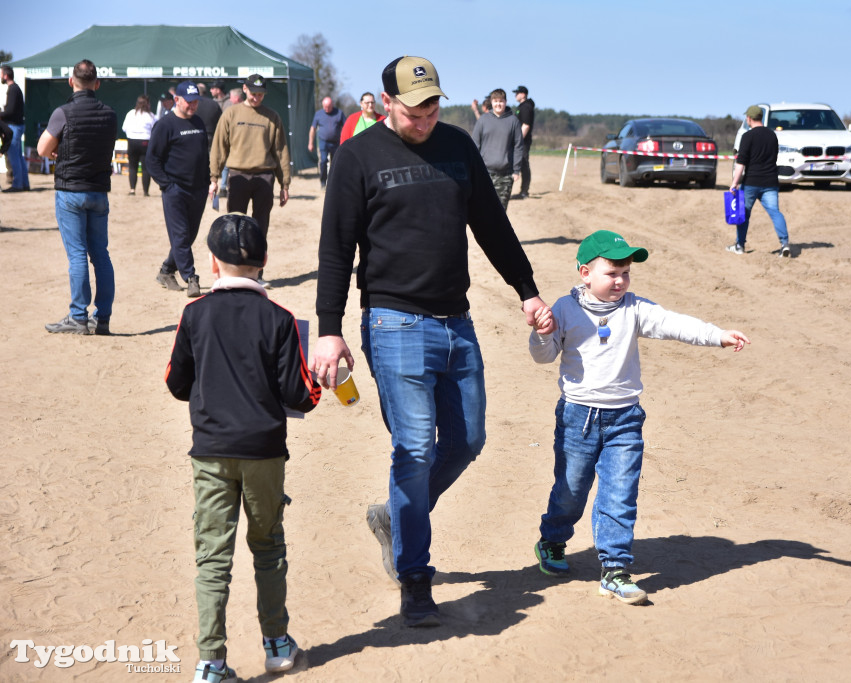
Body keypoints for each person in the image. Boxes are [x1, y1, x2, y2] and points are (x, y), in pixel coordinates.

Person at [311, 55, 555, 628]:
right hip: (393, 323)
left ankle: (396, 517)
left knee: (467, 440)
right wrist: (329, 330)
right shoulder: (357, 156)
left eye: (433, 104)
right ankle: (415, 578)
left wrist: (527, 290)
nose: (425, 115)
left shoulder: (457, 146)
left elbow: (492, 224)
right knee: (414, 448)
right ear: (386, 101)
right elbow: (334, 250)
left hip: (456, 322)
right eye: (415, 106)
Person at [529, 230, 749, 604]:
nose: (620, 280)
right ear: (585, 273)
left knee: (620, 494)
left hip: (626, 419)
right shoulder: (565, 310)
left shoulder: (634, 308)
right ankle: (552, 539)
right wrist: (540, 333)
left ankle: (615, 570)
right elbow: (544, 356)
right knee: (570, 491)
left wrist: (716, 335)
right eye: (612, 272)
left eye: (626, 273)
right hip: (577, 418)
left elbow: (674, 323)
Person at [165, 213, 321, 683]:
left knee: (213, 556)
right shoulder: (281, 320)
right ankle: (276, 643)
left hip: (210, 451)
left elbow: (176, 383)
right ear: (265, 260)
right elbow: (301, 397)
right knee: (268, 546)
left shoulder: (194, 314)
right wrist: (318, 379)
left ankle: (211, 661)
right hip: (264, 452)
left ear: (213, 263)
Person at [36, 59, 118, 335]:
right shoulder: (110, 114)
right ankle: (103, 317)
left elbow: (42, 149)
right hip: (98, 191)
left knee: (77, 256)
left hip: (71, 190)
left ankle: (78, 316)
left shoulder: (63, 112)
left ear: (71, 81)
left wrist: (57, 152)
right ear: (97, 84)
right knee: (101, 255)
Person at [209, 73, 290, 283]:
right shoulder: (231, 114)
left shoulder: (272, 117)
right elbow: (219, 147)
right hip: (237, 176)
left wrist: (284, 184)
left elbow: (281, 150)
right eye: (253, 93)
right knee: (234, 227)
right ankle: (231, 271)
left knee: (260, 228)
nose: (257, 98)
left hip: (264, 177)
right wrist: (214, 178)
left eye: (261, 94)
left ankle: (256, 274)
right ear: (245, 89)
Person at [147, 81, 210, 298]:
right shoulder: (165, 125)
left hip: (199, 190)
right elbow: (152, 160)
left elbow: (203, 154)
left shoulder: (199, 122)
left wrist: (207, 180)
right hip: (175, 190)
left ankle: (166, 271)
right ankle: (191, 277)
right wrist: (167, 185)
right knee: (181, 235)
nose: (193, 106)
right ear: (177, 100)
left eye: (196, 102)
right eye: (189, 102)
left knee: (188, 237)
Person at [728, 105, 791, 257]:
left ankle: (740, 246)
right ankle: (784, 244)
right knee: (775, 213)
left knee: (743, 214)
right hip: (770, 182)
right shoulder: (772, 135)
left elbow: (741, 164)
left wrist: (734, 183)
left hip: (751, 182)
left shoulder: (747, 136)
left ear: (749, 118)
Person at [471, 88, 523, 209]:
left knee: (500, 211)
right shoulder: (483, 120)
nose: (498, 104)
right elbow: (474, 145)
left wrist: (516, 170)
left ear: (505, 102)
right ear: (491, 102)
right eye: (495, 101)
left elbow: (518, 146)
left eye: (501, 101)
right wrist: (473, 169)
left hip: (505, 175)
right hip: (484, 174)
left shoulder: (513, 121)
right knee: (483, 209)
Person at [1, 65, 30, 192]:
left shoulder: (12, 89)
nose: (0, 77)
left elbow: (10, 111)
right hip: (18, 125)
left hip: (14, 127)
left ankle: (18, 184)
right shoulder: (16, 89)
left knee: (14, 157)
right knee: (19, 156)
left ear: (6, 75)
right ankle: (24, 184)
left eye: (1, 74)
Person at [121, 94, 156, 196]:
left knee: (132, 166)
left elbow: (124, 128)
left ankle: (132, 189)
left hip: (132, 141)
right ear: (148, 104)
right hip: (145, 142)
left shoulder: (131, 114)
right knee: (145, 168)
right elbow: (155, 129)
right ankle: (145, 191)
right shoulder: (151, 115)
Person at [307, 96, 343, 189]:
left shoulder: (339, 113)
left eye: (329, 107)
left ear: (332, 105)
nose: (326, 109)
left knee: (335, 163)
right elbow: (313, 129)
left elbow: (346, 126)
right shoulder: (318, 114)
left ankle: (334, 183)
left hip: (336, 142)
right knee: (323, 161)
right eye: (325, 107)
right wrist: (310, 143)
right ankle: (323, 182)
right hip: (323, 142)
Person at [511, 85, 535, 199]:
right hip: (521, 141)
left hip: (523, 141)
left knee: (524, 164)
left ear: (523, 94)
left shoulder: (526, 107)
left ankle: (524, 191)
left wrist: (518, 141)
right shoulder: (522, 106)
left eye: (517, 93)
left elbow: (525, 125)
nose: (515, 95)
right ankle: (523, 191)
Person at [193, 83, 222, 152]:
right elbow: (220, 121)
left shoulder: (192, 104)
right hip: (211, 137)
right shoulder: (214, 104)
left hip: (194, 136)